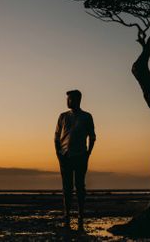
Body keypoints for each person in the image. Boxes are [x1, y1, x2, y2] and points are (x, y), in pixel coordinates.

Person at [54, 89, 96, 225]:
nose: (67, 101)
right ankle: (66, 213)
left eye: (70, 99)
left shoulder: (86, 117)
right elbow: (56, 137)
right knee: (66, 187)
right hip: (65, 156)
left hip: (80, 156)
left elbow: (92, 136)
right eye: (67, 99)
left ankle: (80, 213)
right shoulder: (62, 116)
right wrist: (58, 153)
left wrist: (88, 153)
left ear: (77, 100)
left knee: (79, 186)